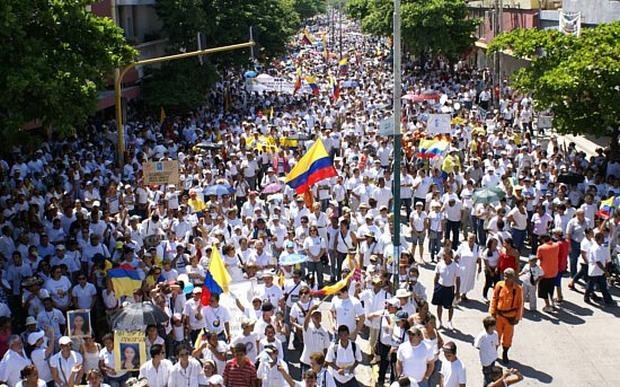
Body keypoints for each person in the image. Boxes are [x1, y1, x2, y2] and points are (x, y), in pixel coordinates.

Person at [488, 268, 523, 365]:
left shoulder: (518, 289)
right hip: (499, 316)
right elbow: (494, 299)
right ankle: (493, 354)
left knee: (508, 337)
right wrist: (492, 313)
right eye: (505, 276)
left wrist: (517, 318)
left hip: (510, 318)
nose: (506, 278)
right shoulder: (499, 285)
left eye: (508, 276)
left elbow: (520, 304)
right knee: (496, 336)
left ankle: (505, 353)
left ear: (513, 277)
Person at [431, 249, 460, 330]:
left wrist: (457, 292)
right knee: (439, 305)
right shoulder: (439, 264)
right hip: (440, 287)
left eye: (445, 255)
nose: (443, 257)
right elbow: (436, 276)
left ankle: (449, 321)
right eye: (443, 255)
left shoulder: (456, 266)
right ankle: (439, 321)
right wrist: (435, 287)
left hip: (450, 288)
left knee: (450, 306)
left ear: (450, 256)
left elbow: (458, 279)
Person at [584, 232, 616, 306]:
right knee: (590, 287)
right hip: (595, 271)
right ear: (597, 239)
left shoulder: (599, 246)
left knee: (603, 287)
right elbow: (598, 262)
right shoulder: (595, 248)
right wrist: (606, 271)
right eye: (602, 239)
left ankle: (608, 301)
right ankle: (586, 297)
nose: (603, 241)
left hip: (600, 272)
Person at [536, 234, 559, 312]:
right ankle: (552, 302)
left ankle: (547, 305)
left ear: (543, 240)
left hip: (544, 273)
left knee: (543, 291)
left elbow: (538, 258)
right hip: (554, 271)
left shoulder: (541, 248)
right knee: (551, 289)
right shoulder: (556, 245)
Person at [474, 316, 499, 386]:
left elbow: (496, 344)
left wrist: (493, 352)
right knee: (487, 378)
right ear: (490, 326)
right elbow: (477, 345)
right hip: (486, 360)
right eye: (494, 325)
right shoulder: (482, 336)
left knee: (492, 375)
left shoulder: (495, 334)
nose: (495, 326)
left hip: (493, 358)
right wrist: (485, 351)